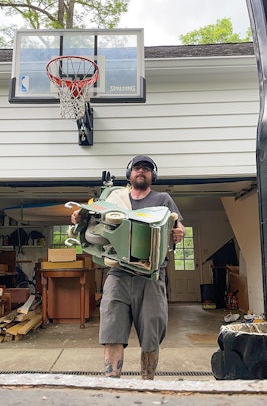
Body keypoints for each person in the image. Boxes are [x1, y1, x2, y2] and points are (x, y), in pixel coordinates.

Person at [71, 155, 185, 380]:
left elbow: (178, 226)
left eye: (146, 168)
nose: (141, 171)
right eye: (137, 168)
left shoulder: (163, 199)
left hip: (151, 276)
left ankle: (147, 384)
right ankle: (111, 384)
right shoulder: (115, 199)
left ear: (153, 175)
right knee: (111, 331)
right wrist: (78, 217)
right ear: (129, 174)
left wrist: (179, 232)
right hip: (118, 273)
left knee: (152, 335)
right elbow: (93, 220)